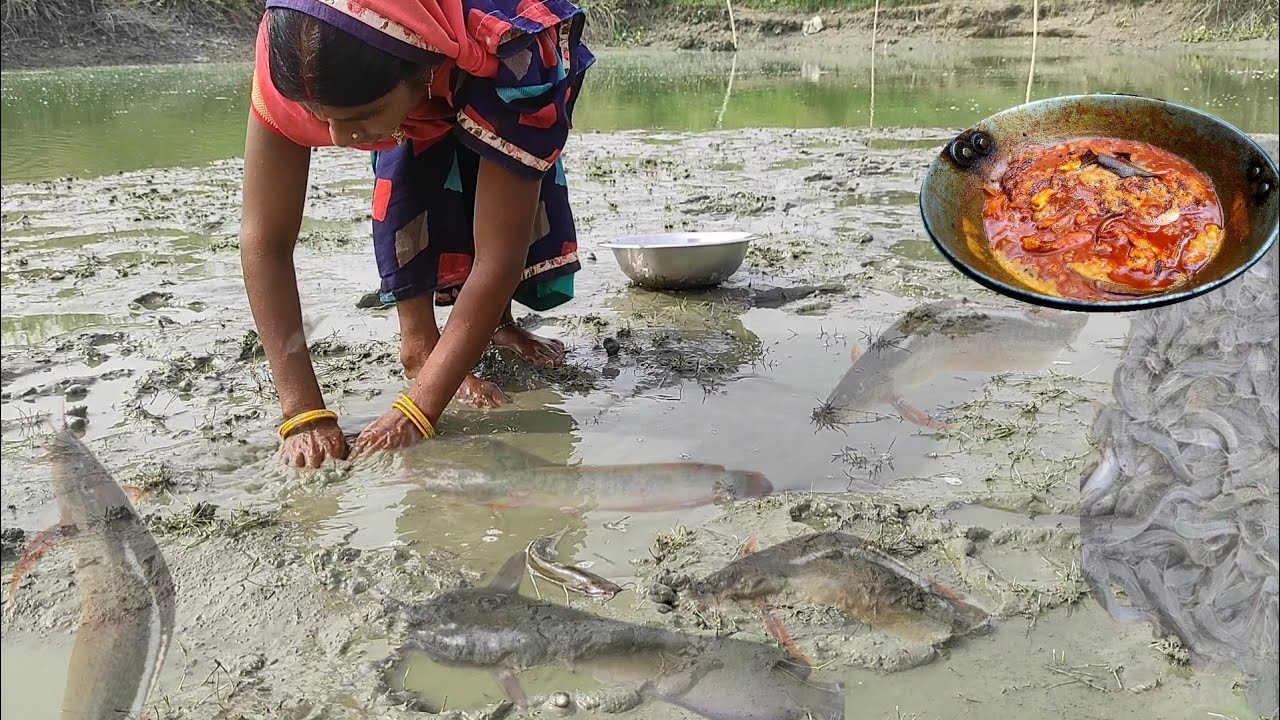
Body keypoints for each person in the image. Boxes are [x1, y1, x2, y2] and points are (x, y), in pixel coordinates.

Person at [239, 0, 594, 468]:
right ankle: (420, 348)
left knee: (505, 171)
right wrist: (303, 411)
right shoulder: (297, 50)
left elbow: (498, 256)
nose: (339, 137)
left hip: (476, 49)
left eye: (362, 114)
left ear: (423, 69)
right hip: (397, 50)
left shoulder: (514, 54)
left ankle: (497, 325)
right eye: (318, 114)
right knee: (405, 171)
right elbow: (265, 238)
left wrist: (418, 411)